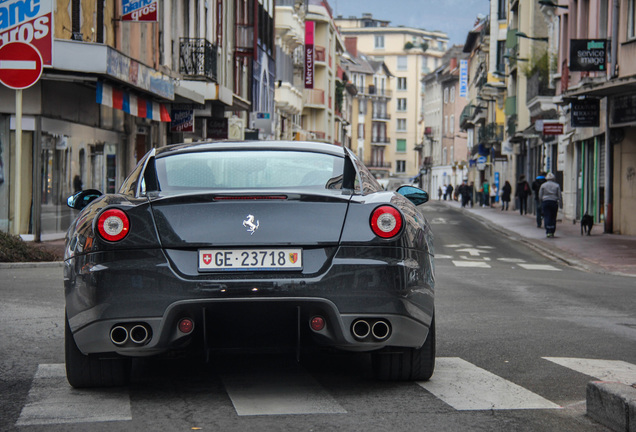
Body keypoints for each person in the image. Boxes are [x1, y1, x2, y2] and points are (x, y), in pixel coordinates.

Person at [539, 172, 562, 238]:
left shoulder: (543, 185)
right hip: (553, 202)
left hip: (545, 202)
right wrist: (560, 204)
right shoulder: (557, 185)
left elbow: (540, 194)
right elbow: (559, 195)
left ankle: (548, 230)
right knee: (553, 216)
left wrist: (541, 201)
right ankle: (552, 230)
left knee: (547, 216)